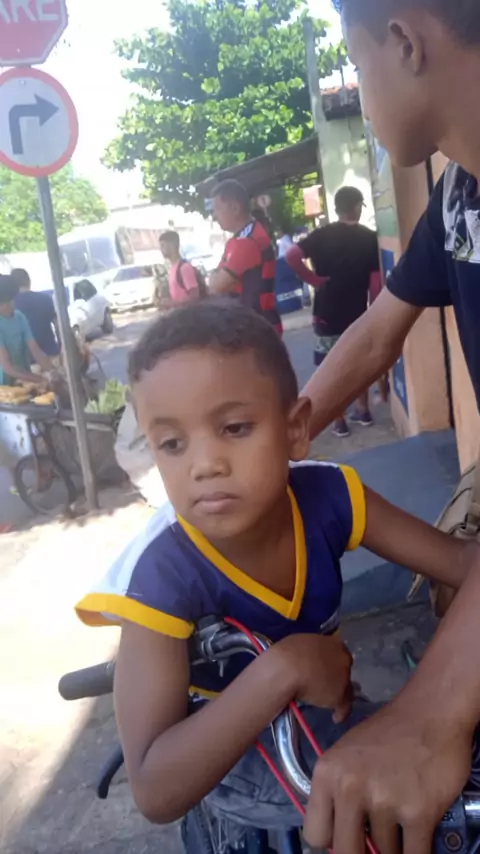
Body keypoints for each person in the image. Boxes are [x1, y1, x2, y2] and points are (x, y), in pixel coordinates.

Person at [75, 301, 479, 844]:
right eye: (172, 444)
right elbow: (154, 788)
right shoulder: (161, 578)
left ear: (295, 429)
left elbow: (464, 565)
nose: (205, 464)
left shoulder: (332, 497)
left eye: (234, 427)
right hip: (229, 759)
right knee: (423, 801)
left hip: (324, 712)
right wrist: (283, 669)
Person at [299, 2, 480, 852]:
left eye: (356, 62)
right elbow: (378, 333)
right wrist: (279, 436)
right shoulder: (459, 192)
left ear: (404, 43)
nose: (360, 95)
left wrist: (432, 711)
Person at [286, 186, 379, 437]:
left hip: (326, 311)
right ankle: (364, 410)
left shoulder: (321, 235)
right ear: (357, 206)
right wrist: (374, 310)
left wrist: (313, 280)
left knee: (330, 366)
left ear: (337, 208)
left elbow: (292, 255)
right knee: (358, 362)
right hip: (357, 312)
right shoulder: (369, 238)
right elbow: (375, 282)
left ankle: (339, 421)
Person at [210, 180, 282, 333]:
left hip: (256, 328)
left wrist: (216, 274)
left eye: (217, 209)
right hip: (258, 324)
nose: (214, 216)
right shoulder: (247, 235)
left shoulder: (245, 242)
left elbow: (216, 286)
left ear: (235, 208)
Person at [0, 275, 52, 386]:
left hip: (23, 379)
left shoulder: (19, 317)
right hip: (3, 385)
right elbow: (7, 367)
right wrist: (38, 379)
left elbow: (35, 350)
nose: (9, 305)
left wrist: (53, 372)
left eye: (10, 300)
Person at [11, 268, 60, 363]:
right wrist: (61, 347)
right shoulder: (45, 299)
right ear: (28, 281)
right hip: (50, 354)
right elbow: (58, 326)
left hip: (25, 360)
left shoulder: (10, 306)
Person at [159, 231, 201, 304]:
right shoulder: (173, 269)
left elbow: (194, 297)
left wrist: (171, 303)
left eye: (163, 245)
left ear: (172, 245)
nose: (161, 249)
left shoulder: (184, 268)